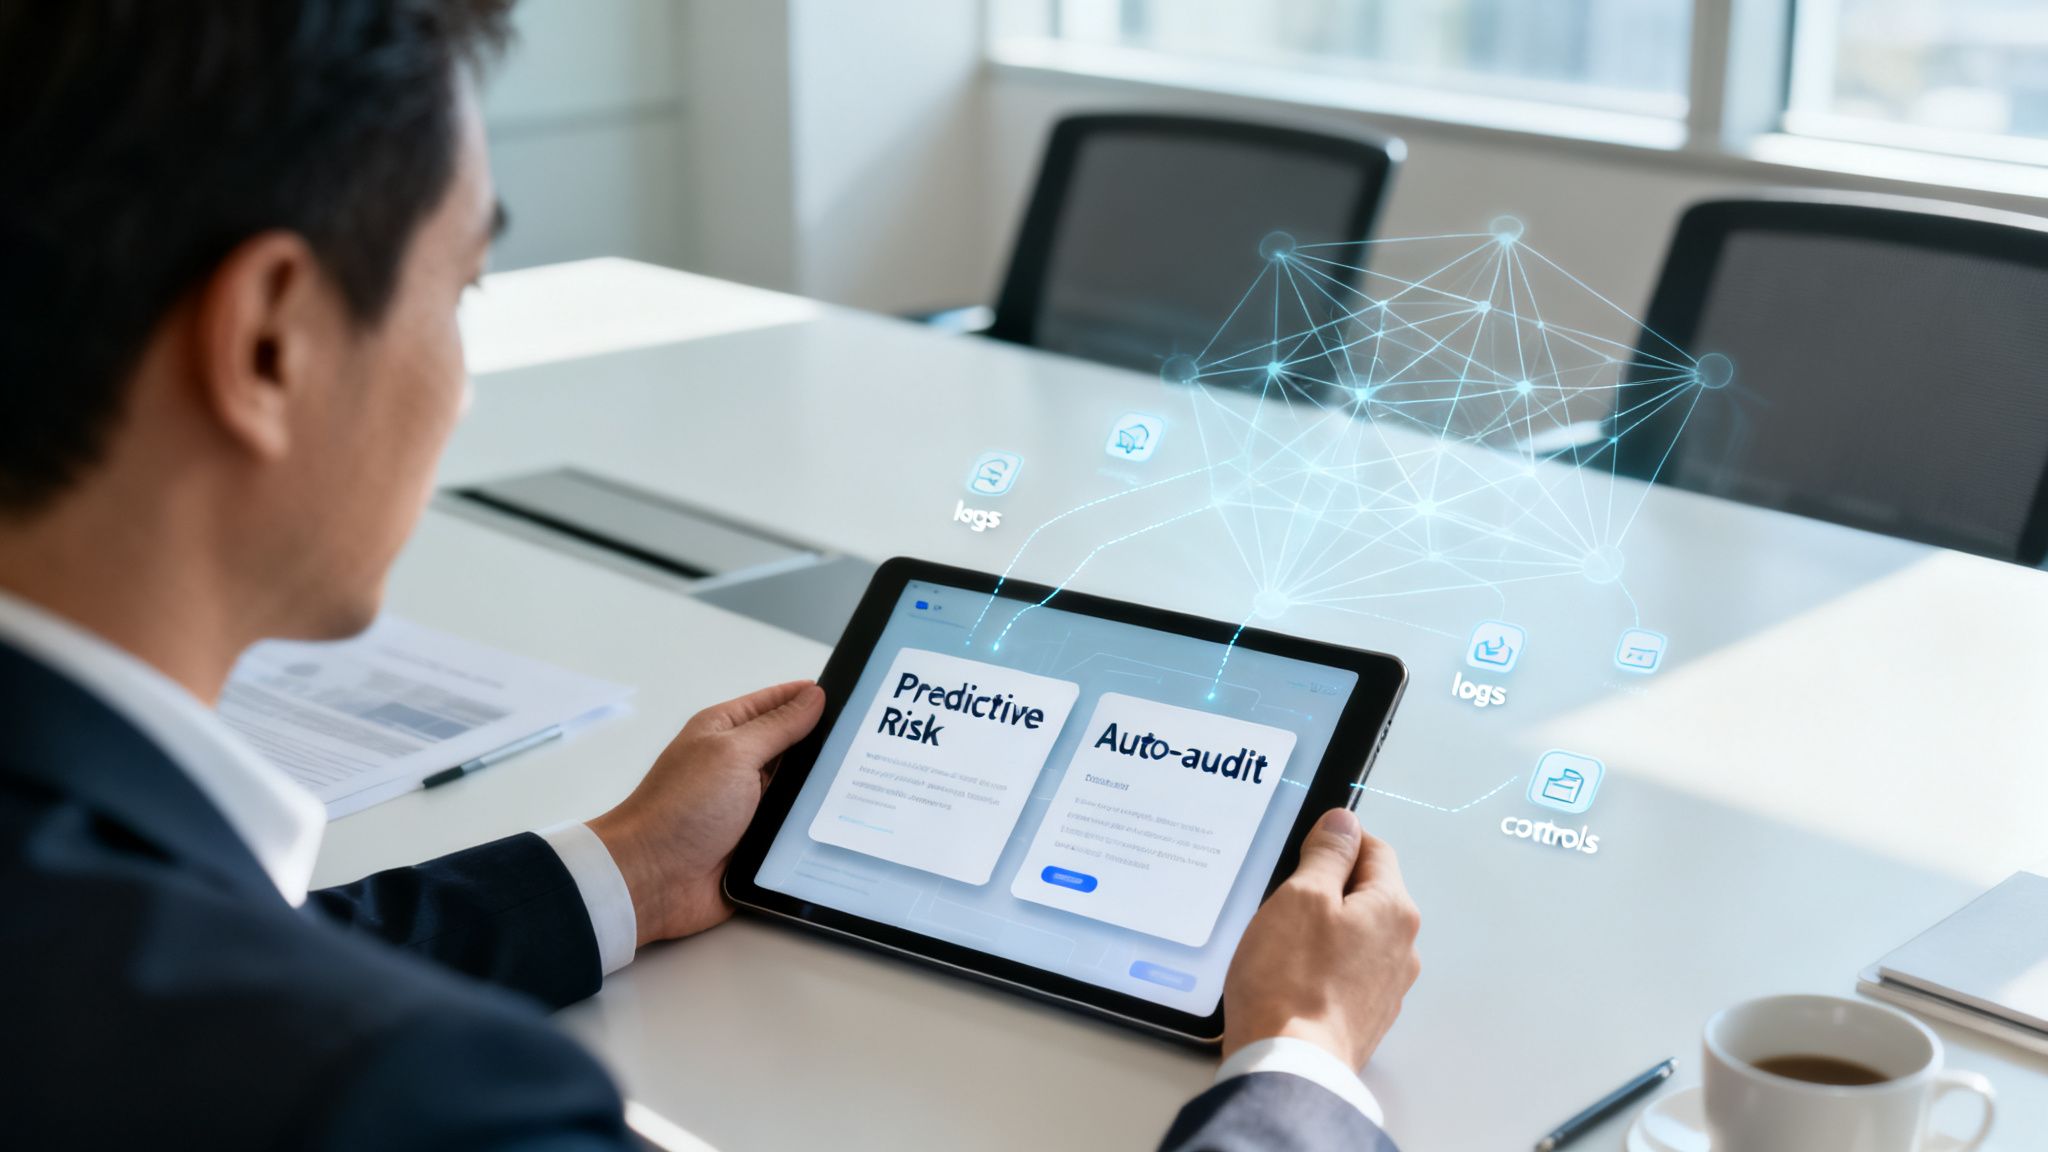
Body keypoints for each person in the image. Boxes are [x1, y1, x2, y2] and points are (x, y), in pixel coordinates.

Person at [0, 3, 1422, 1149]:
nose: (464, 385)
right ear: (272, 342)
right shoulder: (411, 1101)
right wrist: (1300, 1072)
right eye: (462, 293)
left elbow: (176, 964)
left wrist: (620, 868)